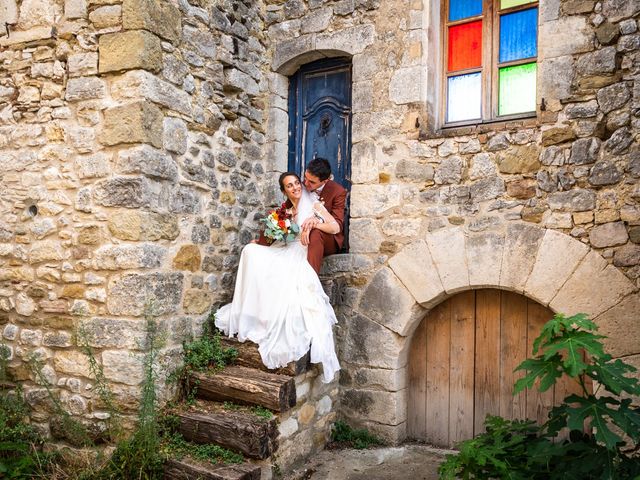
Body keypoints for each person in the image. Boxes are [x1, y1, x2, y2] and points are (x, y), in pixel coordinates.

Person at [215, 172, 340, 383]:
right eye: (289, 186)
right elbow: (276, 238)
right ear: (284, 191)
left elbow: (335, 227)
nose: (295, 188)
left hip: (300, 253)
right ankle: (250, 312)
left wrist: (314, 224)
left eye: (297, 183)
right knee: (249, 251)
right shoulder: (284, 212)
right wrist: (267, 238)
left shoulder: (315, 205)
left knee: (283, 273)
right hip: (284, 249)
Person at [300, 158, 348, 274]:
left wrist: (314, 224)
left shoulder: (338, 191)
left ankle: (311, 281)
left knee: (315, 234)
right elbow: (285, 213)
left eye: (311, 182)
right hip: (301, 235)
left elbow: (337, 225)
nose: (306, 183)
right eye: (305, 178)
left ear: (325, 181)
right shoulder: (299, 186)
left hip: (328, 238)